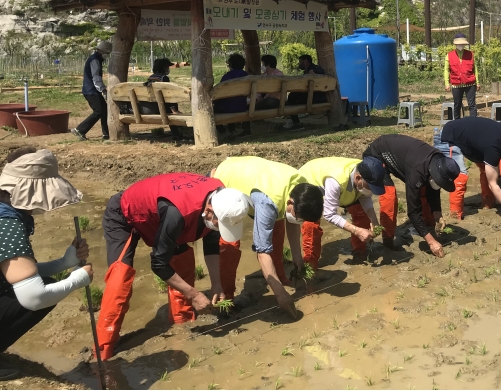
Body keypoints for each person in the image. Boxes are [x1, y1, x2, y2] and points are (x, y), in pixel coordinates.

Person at [94, 173, 250, 360]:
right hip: (125, 214)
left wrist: (216, 284)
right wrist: (194, 294)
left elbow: (211, 243)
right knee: (120, 278)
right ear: (209, 210)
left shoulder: (222, 200)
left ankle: (182, 322)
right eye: (221, 223)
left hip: (163, 215)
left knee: (182, 259)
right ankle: (102, 350)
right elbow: (158, 263)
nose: (221, 227)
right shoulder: (177, 215)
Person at [0, 147, 92, 380]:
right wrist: (76, 280)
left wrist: (64, 262)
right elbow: (34, 297)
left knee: (42, 281)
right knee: (44, 291)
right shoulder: (8, 224)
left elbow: (11, 272)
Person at [210, 157, 324, 319]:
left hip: (255, 177)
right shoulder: (267, 204)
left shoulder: (301, 187)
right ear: (291, 202)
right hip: (226, 180)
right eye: (299, 216)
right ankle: (226, 299)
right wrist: (280, 294)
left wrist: (298, 259)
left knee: (277, 230)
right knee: (230, 245)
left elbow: (293, 221)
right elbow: (261, 251)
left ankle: (280, 277)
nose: (299, 221)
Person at [363, 135, 460, 258]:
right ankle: (388, 242)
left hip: (405, 157)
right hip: (378, 155)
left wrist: (438, 214)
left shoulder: (439, 162)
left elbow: (434, 188)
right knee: (389, 199)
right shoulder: (417, 172)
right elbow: (413, 212)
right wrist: (431, 242)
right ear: (433, 173)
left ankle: (428, 226)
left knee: (425, 190)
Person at [434, 117, 501, 221]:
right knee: (460, 176)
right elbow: (492, 184)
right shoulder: (493, 148)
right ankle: (455, 216)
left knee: (489, 172)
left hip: (471, 141)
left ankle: (488, 204)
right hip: (448, 137)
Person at [296, 157, 386, 266]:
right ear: (358, 178)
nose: (371, 190)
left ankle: (359, 252)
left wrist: (374, 220)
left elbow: (365, 198)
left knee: (361, 212)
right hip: (310, 183)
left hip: (340, 184)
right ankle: (310, 264)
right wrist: (356, 230)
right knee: (311, 223)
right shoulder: (336, 181)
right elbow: (329, 214)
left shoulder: (367, 172)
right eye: (370, 187)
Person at [72, 40, 113, 141]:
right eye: (107, 53)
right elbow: (96, 78)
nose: (107, 55)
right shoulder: (95, 60)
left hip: (91, 90)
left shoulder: (94, 59)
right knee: (99, 111)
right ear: (103, 51)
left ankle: (106, 134)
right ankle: (80, 130)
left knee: (105, 110)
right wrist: (103, 90)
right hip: (91, 90)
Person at [140, 58, 183, 141]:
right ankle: (176, 133)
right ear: (163, 68)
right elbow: (167, 96)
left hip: (148, 107)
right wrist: (173, 109)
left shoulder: (151, 77)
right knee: (170, 105)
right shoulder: (164, 78)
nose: (168, 69)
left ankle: (177, 132)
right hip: (159, 108)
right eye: (167, 67)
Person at [284, 54, 327, 130]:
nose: (299, 64)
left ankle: (295, 122)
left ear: (306, 61)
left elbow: (321, 76)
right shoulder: (308, 71)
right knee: (292, 97)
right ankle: (294, 120)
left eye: (300, 62)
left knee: (291, 97)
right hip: (319, 97)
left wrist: (314, 75)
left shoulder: (314, 70)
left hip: (316, 98)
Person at [213, 53, 251, 138]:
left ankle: (223, 131)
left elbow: (219, 93)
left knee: (213, 109)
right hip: (242, 106)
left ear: (230, 65)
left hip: (227, 108)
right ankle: (233, 130)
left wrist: (214, 101)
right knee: (234, 101)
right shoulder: (247, 76)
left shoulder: (227, 77)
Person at [444, 33, 477, 118]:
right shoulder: (449, 55)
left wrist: (478, 82)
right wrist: (447, 83)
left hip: (470, 83)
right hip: (456, 83)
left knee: (472, 105)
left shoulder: (471, 54)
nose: (460, 46)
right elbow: (446, 70)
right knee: (457, 105)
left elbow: (475, 69)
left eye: (462, 44)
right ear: (455, 44)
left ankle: (474, 123)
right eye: (459, 44)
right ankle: (457, 123)